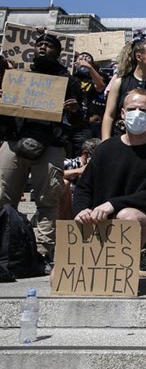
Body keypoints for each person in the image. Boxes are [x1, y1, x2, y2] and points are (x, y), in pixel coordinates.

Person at [73, 89, 146, 271]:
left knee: (127, 216)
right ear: (122, 113)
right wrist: (82, 210)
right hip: (99, 220)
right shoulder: (104, 149)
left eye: (143, 110)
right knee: (55, 280)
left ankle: (125, 267)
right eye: (131, 109)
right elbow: (84, 187)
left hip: (142, 221)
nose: (136, 114)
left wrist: (113, 204)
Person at [0, 33, 81, 264]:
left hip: (50, 145)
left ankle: (43, 250)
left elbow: (79, 124)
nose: (43, 47)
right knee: (2, 196)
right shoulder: (19, 77)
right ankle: (5, 246)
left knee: (48, 200)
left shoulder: (69, 81)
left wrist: (75, 111)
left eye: (49, 45)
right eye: (39, 45)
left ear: (58, 52)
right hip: (15, 141)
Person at [102, 40, 146, 142]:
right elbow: (109, 115)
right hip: (121, 139)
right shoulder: (119, 83)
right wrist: (105, 143)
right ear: (139, 57)